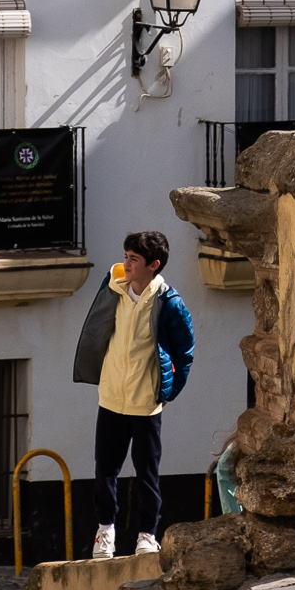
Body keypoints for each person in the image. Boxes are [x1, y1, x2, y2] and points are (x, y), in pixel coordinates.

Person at [71, 230, 195, 559]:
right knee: (105, 471)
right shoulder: (112, 287)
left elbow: (185, 352)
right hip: (111, 398)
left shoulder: (169, 302)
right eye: (126, 256)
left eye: (134, 259)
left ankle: (147, 536)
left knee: (147, 475)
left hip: (146, 404)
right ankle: (105, 532)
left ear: (153, 265)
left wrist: (169, 392)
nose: (126, 263)